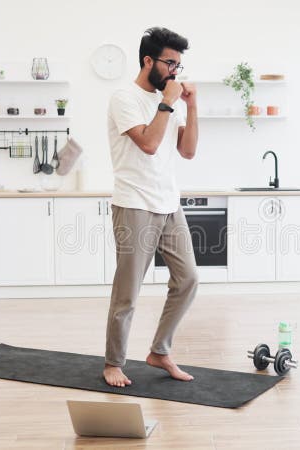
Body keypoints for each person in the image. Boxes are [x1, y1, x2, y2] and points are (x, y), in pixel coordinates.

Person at [103, 27, 199, 387]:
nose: (175, 71)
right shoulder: (123, 97)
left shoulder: (169, 100)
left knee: (188, 278)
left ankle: (160, 350)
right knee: (128, 292)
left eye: (179, 64)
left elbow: (187, 151)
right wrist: (168, 102)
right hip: (134, 204)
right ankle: (113, 362)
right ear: (148, 61)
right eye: (170, 63)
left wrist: (191, 105)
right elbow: (148, 143)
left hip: (168, 203)